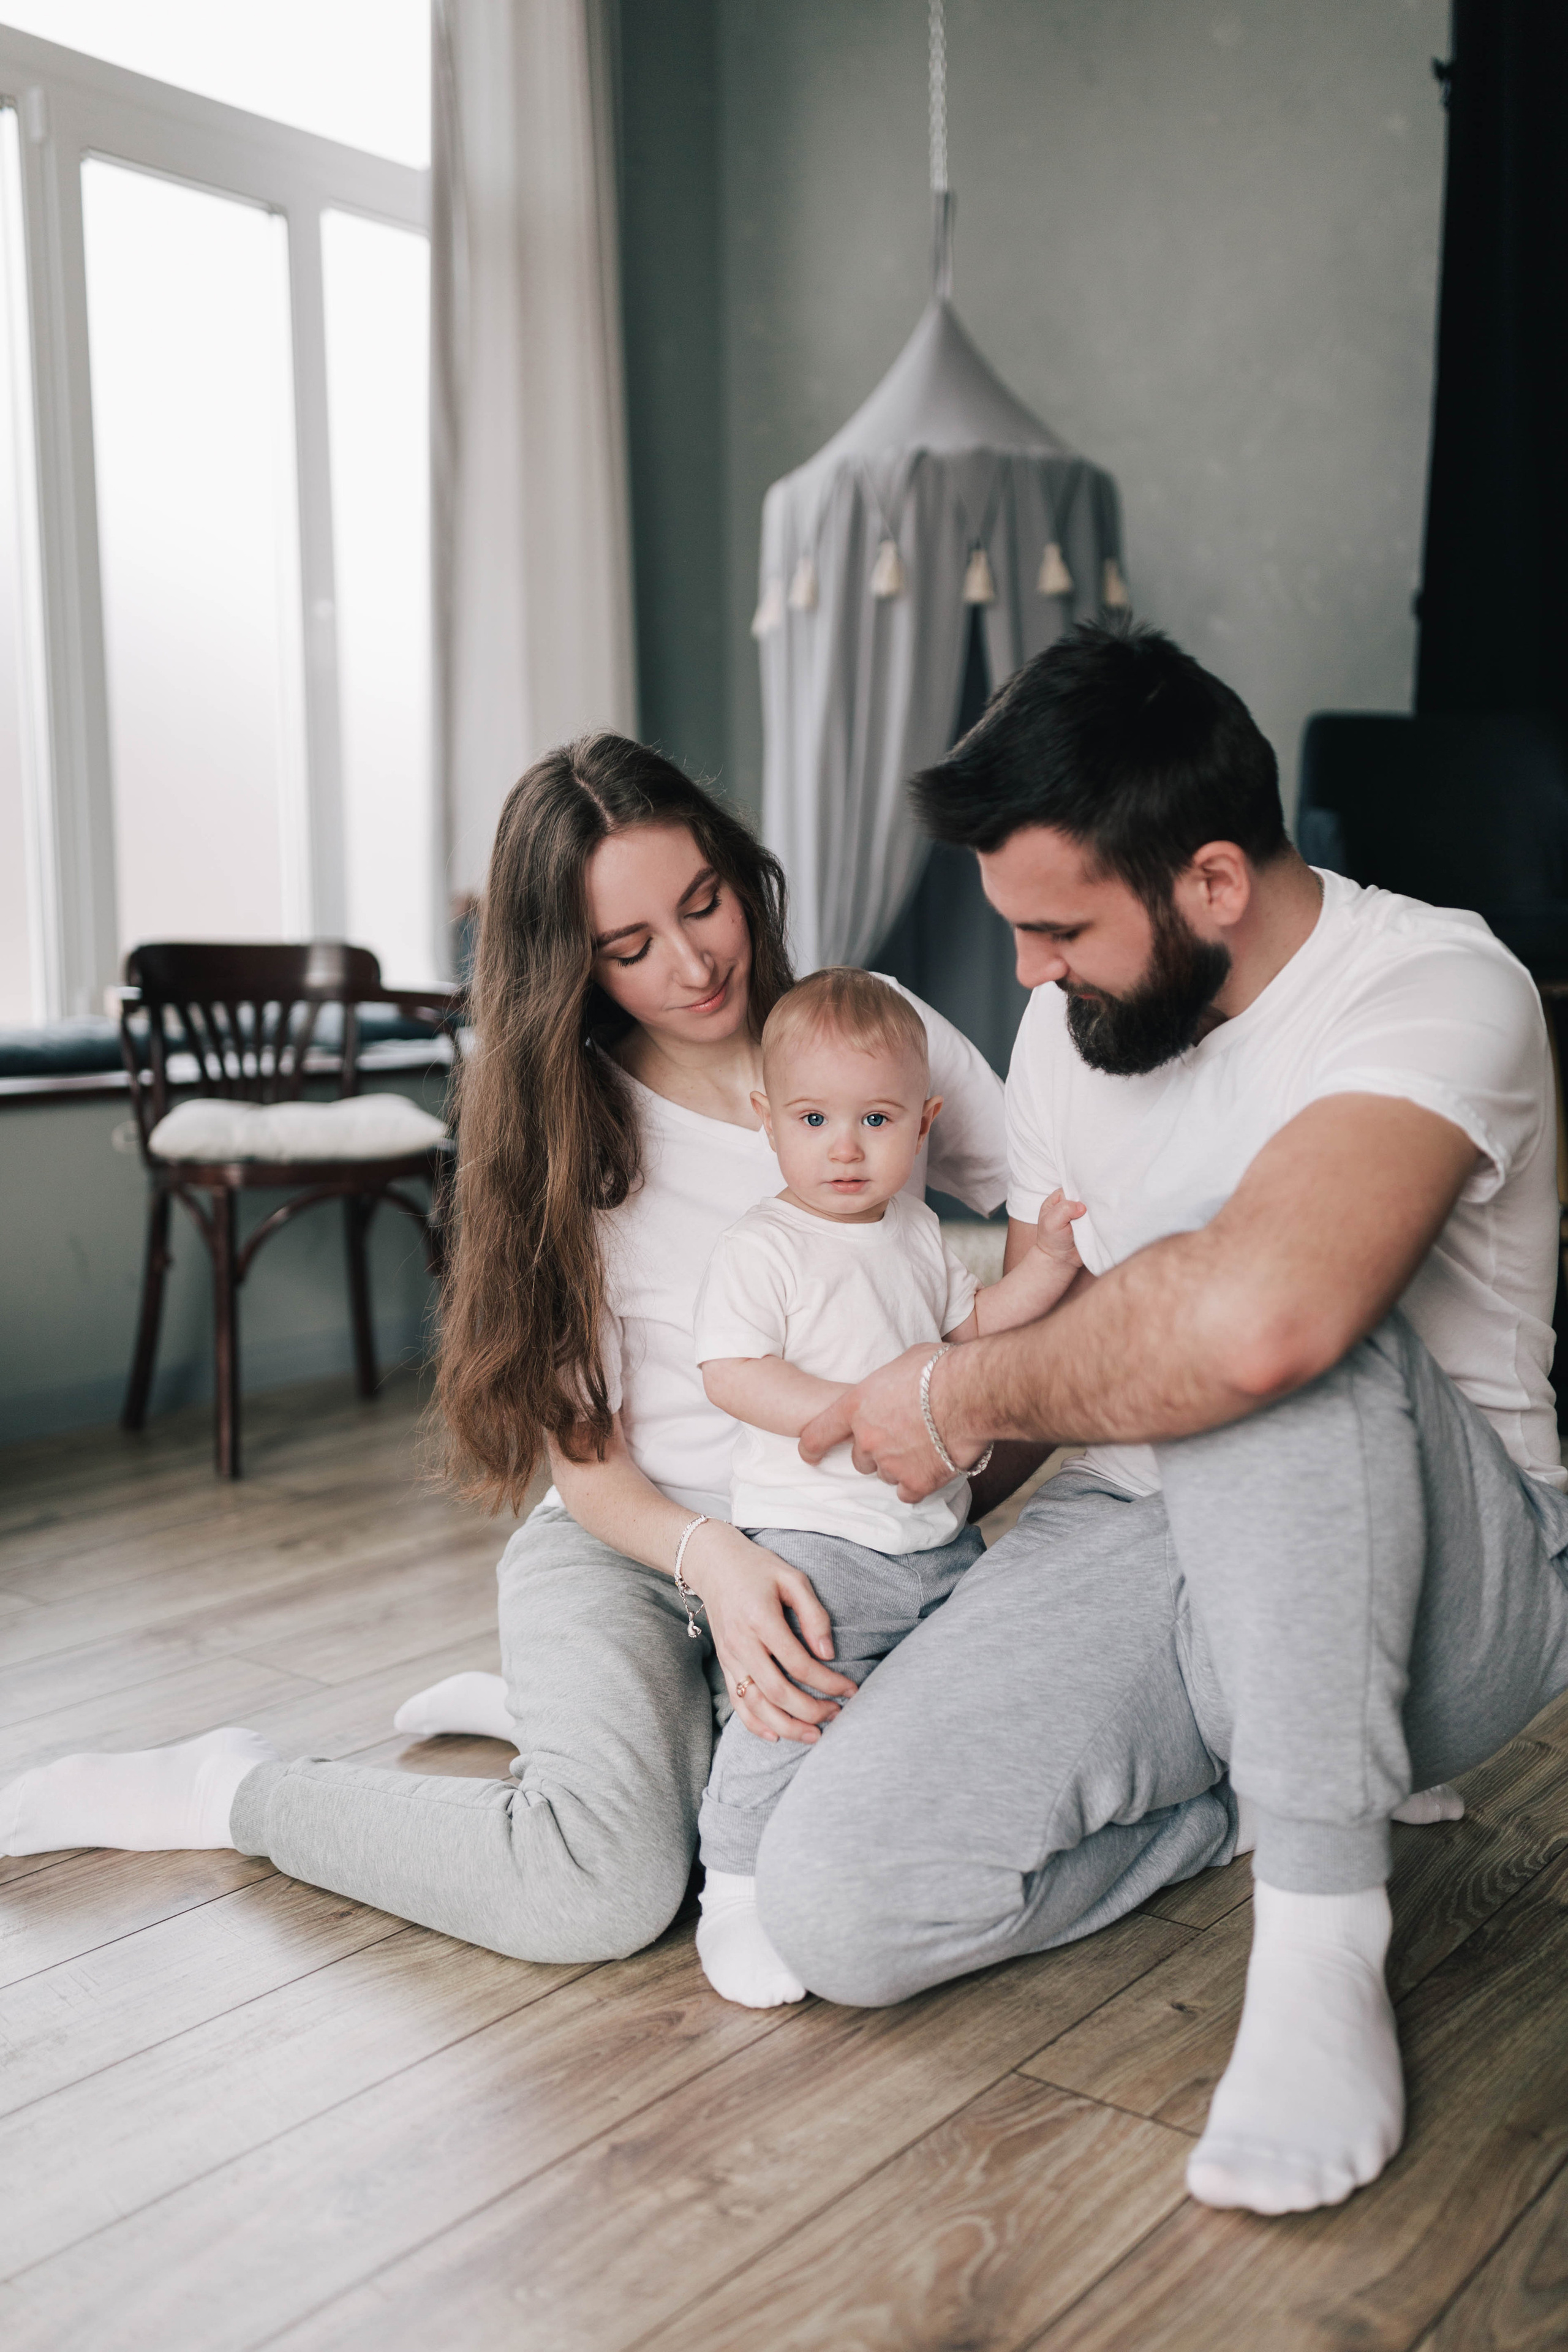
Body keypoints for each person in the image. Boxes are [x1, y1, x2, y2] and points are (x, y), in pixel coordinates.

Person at [748, 622, 1568, 2218]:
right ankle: (1256, 1799)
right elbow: (1072, 1360)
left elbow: (1257, 1326)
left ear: (1209, 883)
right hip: (1134, 1534)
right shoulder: (1074, 1030)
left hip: (1448, 1598)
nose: (1029, 981)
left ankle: (1326, 1934)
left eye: (1058, 930)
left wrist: (946, 1388)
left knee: (1254, 1313)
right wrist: (888, 1456)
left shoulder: (1439, 982)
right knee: (835, 1910)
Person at [0, 736, 1011, 1969]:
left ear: (741, 875)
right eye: (629, 947)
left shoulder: (873, 1038)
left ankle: (591, 1727)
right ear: (570, 965)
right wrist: (722, 1570)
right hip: (637, 1549)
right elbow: (584, 1471)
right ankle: (228, 1791)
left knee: (820, 1833)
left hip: (851, 1554)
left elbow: (1049, 1208)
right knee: (601, 1889)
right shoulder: (569, 1140)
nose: (693, 963)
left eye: (704, 904)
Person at [688, 967, 1085, 2007]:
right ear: (767, 1121)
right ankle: (729, 1886)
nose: (847, 1146)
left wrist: (1045, 1267)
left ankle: (896, 1840)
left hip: (939, 1540)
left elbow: (970, 1331)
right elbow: (732, 1372)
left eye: (876, 1118)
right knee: (792, 1709)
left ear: (925, 1124)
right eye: (815, 1119)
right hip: (816, 1541)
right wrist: (848, 1405)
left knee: (936, 1702)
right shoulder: (762, 1246)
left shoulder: (914, 1232)